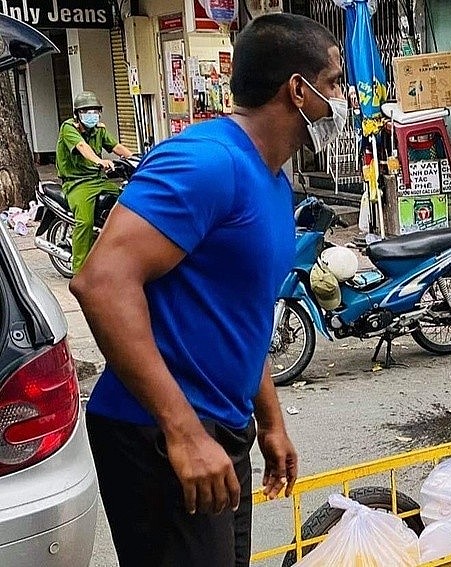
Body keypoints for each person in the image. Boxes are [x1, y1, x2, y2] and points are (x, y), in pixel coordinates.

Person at [70, 14, 346, 567]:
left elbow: (239, 313)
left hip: (220, 426)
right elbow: (100, 282)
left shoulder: (271, 179)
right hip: (159, 432)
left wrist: (268, 418)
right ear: (298, 89)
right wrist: (184, 432)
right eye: (336, 82)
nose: (344, 98)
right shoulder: (206, 162)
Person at [56, 90, 134, 273]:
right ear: (77, 114)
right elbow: (82, 147)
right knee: (85, 222)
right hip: (77, 183)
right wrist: (99, 161)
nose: (91, 116)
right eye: (86, 112)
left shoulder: (99, 129)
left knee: (128, 200)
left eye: (94, 111)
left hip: (98, 180)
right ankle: (80, 270)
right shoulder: (69, 128)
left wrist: (139, 159)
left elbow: (116, 147)